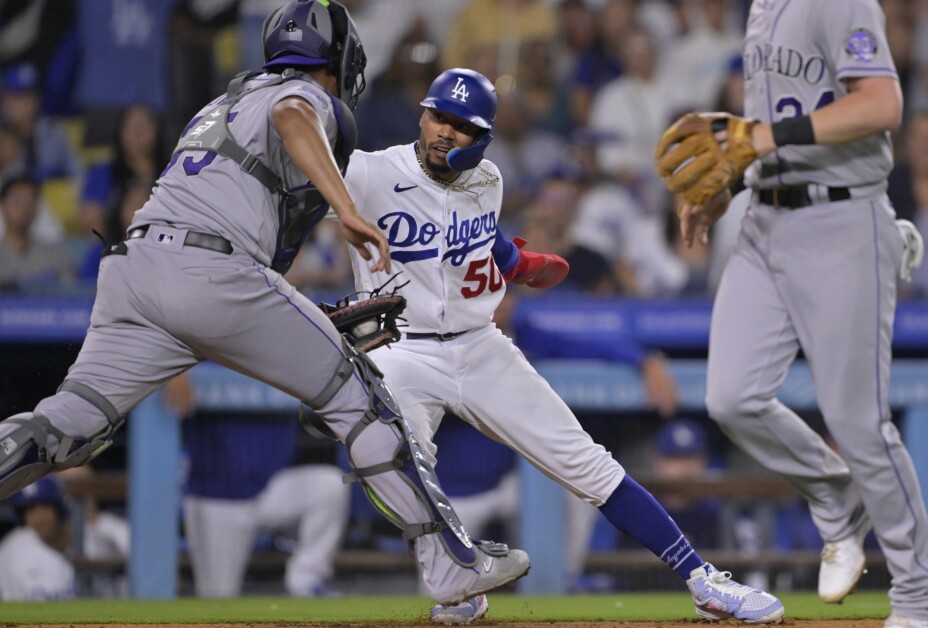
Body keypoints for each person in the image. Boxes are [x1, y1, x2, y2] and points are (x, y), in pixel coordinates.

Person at [0, 0, 529, 609]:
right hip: (211, 271)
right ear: (335, 60)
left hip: (134, 271)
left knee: (66, 427)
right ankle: (451, 566)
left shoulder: (219, 104)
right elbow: (294, 112)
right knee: (361, 399)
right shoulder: (296, 92)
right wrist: (348, 210)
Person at [340, 67, 784, 625]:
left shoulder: (488, 181)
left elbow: (481, 239)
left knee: (587, 464)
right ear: (422, 116)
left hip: (480, 346)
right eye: (438, 117)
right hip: (401, 349)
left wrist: (521, 264)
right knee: (393, 461)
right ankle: (458, 586)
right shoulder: (370, 172)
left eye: (461, 125)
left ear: (482, 138)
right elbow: (298, 167)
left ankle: (703, 580)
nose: (444, 132)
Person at [658, 2, 928, 626]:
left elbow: (881, 106)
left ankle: (916, 595)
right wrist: (726, 183)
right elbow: (771, 122)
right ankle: (838, 499)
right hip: (766, 217)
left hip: (843, 220)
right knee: (731, 397)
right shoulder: (763, 6)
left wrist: (761, 139)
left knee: (861, 425)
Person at [0, 475, 75, 600]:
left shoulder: (61, 542)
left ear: (58, 509)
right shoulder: (19, 548)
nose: (39, 516)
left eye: (45, 506)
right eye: (31, 509)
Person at [0, 174, 75, 293]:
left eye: (30, 201)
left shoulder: (57, 256)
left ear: (37, 208)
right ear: (2, 206)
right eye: (17, 201)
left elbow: (71, 298)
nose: (24, 208)